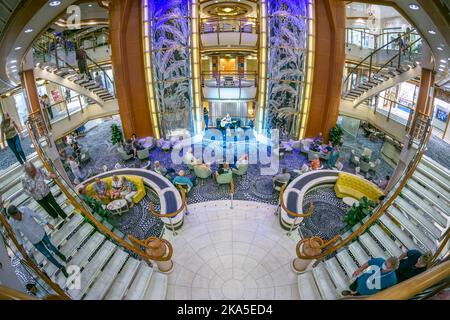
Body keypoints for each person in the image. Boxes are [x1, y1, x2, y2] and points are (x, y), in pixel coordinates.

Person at [8, 205, 68, 277]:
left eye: (16, 215)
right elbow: (18, 236)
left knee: (51, 247)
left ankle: (59, 254)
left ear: (18, 211)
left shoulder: (25, 209)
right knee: (48, 255)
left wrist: (47, 223)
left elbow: (37, 216)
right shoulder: (12, 222)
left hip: (41, 233)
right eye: (14, 217)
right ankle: (61, 267)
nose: (16, 218)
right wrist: (22, 248)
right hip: (34, 241)